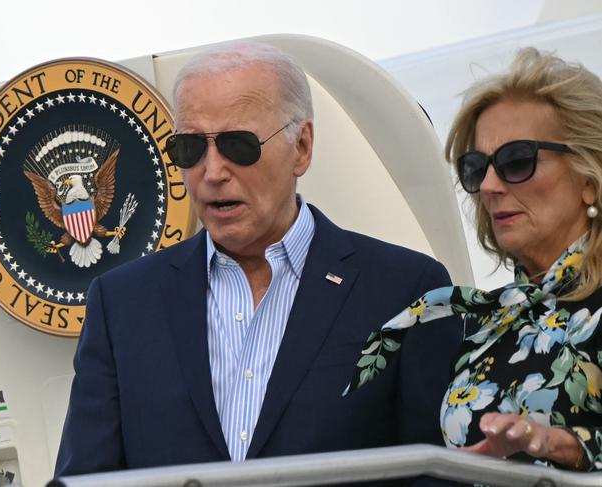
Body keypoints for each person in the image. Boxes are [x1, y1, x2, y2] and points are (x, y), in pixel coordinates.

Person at [54, 41, 462, 480]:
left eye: (238, 145)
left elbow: (439, 474)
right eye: (191, 149)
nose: (212, 172)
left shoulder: (407, 289)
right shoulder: (122, 306)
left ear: (301, 147)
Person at [346, 47, 602, 474]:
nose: (489, 185)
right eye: (475, 167)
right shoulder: (487, 323)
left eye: (516, 161)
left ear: (590, 178)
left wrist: (576, 451)